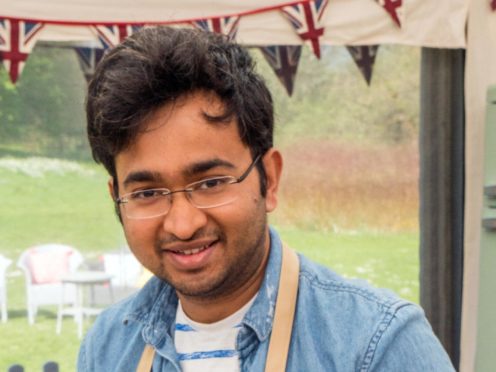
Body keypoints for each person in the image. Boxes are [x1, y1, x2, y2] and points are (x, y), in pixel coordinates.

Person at [78, 26, 455, 371]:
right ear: (117, 198)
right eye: (147, 193)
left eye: (210, 183)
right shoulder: (109, 344)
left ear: (269, 179)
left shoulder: (378, 342)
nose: (183, 223)